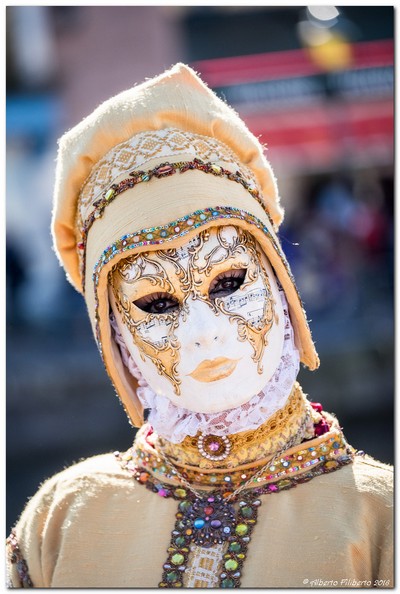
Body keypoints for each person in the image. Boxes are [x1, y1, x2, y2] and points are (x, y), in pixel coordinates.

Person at [6, 63, 393, 588]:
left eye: (229, 281)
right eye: (157, 303)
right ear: (115, 331)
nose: (203, 331)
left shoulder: (381, 520)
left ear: (280, 284)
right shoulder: (62, 521)